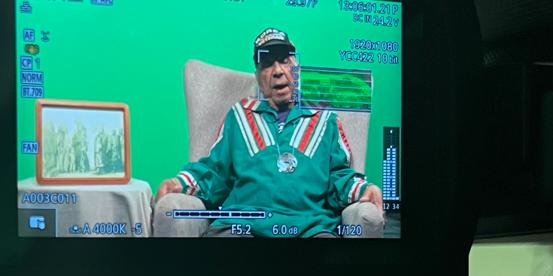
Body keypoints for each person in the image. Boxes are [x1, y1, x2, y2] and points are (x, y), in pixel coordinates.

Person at [153, 27, 385, 239]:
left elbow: (339, 177)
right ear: (258, 76)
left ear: (296, 67)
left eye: (284, 60)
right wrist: (181, 183)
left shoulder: (326, 121)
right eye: (267, 64)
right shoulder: (239, 115)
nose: (277, 71)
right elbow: (215, 172)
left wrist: (363, 190)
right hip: (241, 225)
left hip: (310, 228)